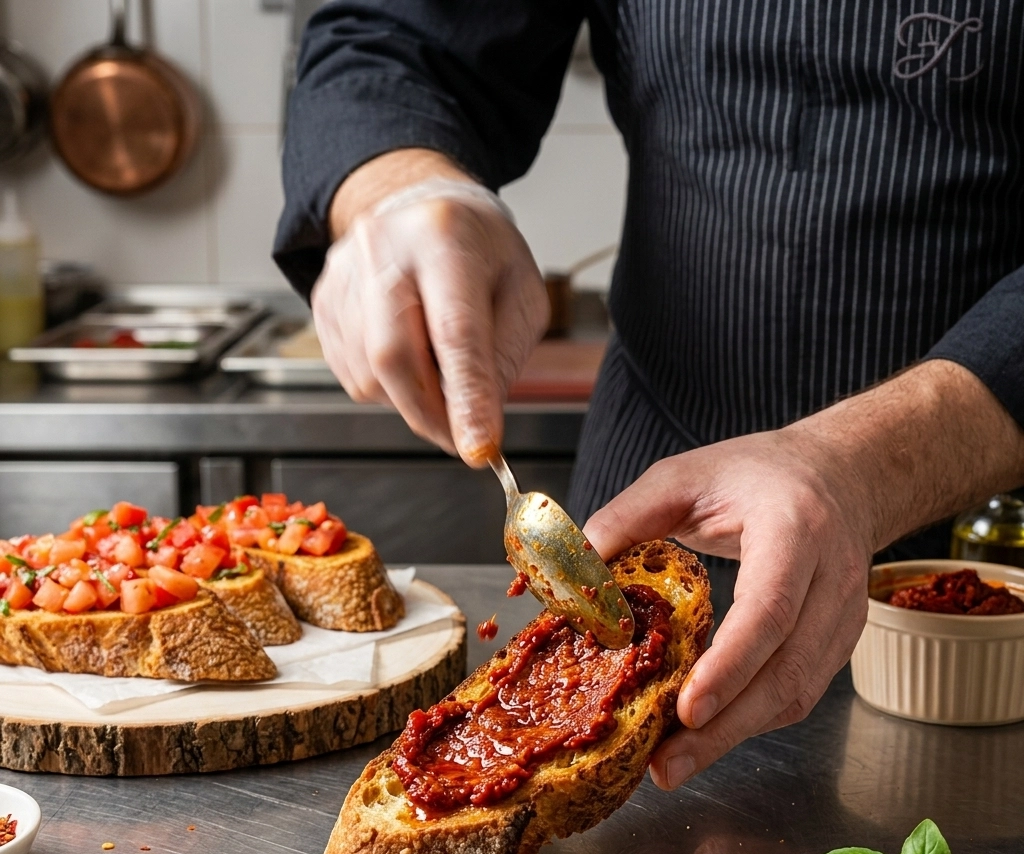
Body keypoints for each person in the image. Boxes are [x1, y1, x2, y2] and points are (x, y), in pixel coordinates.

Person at [273, 2, 1024, 791]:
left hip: (987, 543)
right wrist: (396, 184)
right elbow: (399, 35)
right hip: (650, 478)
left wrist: (868, 463)